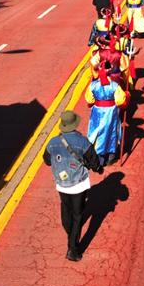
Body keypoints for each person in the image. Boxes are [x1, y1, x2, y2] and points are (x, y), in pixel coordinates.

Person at [41, 111, 104, 262]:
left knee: (66, 209)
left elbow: (47, 160)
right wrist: (99, 168)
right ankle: (73, 249)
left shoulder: (52, 142)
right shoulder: (83, 142)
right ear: (75, 124)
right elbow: (94, 161)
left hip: (61, 184)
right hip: (78, 184)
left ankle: (70, 233)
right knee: (78, 215)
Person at [84, 66, 128, 166]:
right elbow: (120, 100)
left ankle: (98, 157)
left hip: (97, 112)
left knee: (96, 132)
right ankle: (110, 157)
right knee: (112, 132)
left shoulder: (93, 85)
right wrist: (127, 96)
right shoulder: (114, 86)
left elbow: (89, 99)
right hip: (111, 112)